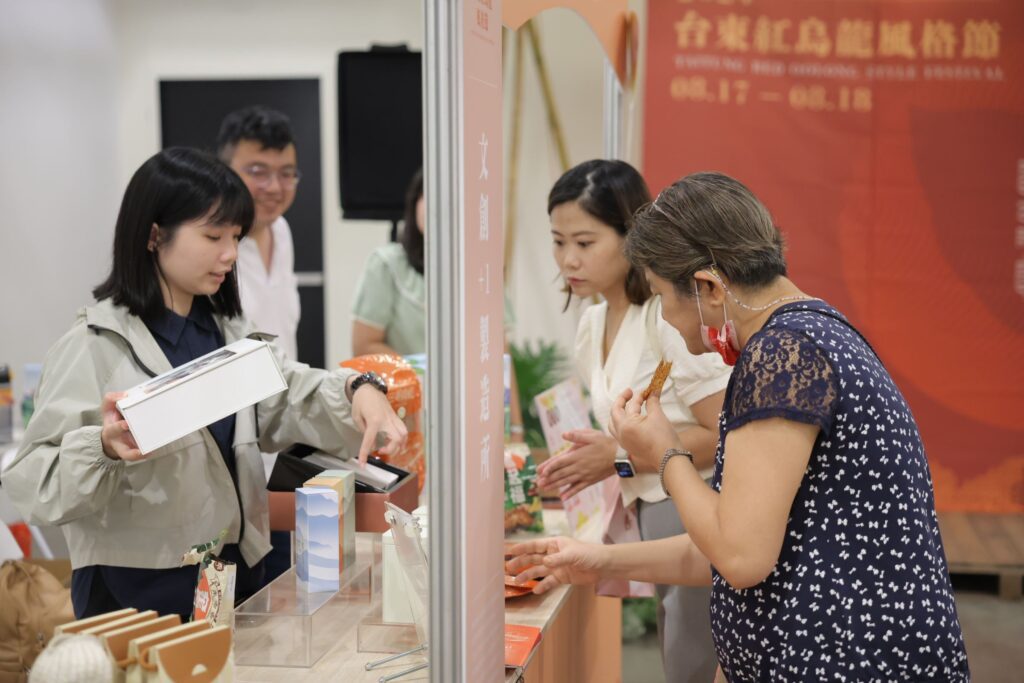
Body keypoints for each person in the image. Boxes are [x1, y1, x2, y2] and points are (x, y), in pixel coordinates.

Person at [508, 172, 970, 682]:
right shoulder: (807, 332)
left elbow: (741, 556)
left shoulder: (782, 354)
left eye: (663, 297)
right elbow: (729, 539)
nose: (669, 321)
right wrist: (595, 561)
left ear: (707, 286)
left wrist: (664, 451)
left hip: (843, 660)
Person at [0, 148, 407, 620]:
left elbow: (286, 396)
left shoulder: (227, 330)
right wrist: (103, 448)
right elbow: (31, 480)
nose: (230, 254)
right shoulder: (92, 347)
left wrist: (358, 389)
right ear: (155, 235)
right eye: (213, 235)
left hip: (235, 577)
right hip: (138, 595)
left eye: (236, 236)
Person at [539, 160, 729, 683]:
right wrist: (602, 456)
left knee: (693, 660)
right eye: (558, 242)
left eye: (584, 242)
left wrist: (616, 455)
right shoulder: (593, 322)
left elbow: (726, 433)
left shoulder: (665, 319)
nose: (568, 260)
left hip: (697, 504)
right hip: (647, 505)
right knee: (678, 653)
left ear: (631, 237)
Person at [351, 170, 526, 439]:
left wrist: (515, 428)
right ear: (415, 204)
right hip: (406, 419)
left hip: (473, 423)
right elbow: (364, 346)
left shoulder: (484, 271)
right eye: (429, 197)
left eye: (453, 202)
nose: (439, 211)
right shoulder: (387, 265)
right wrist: (427, 374)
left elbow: (499, 356)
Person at [218, 106, 301, 361]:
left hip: (287, 396)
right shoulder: (214, 246)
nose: (275, 187)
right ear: (225, 171)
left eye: (286, 173)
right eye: (258, 172)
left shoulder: (281, 230)